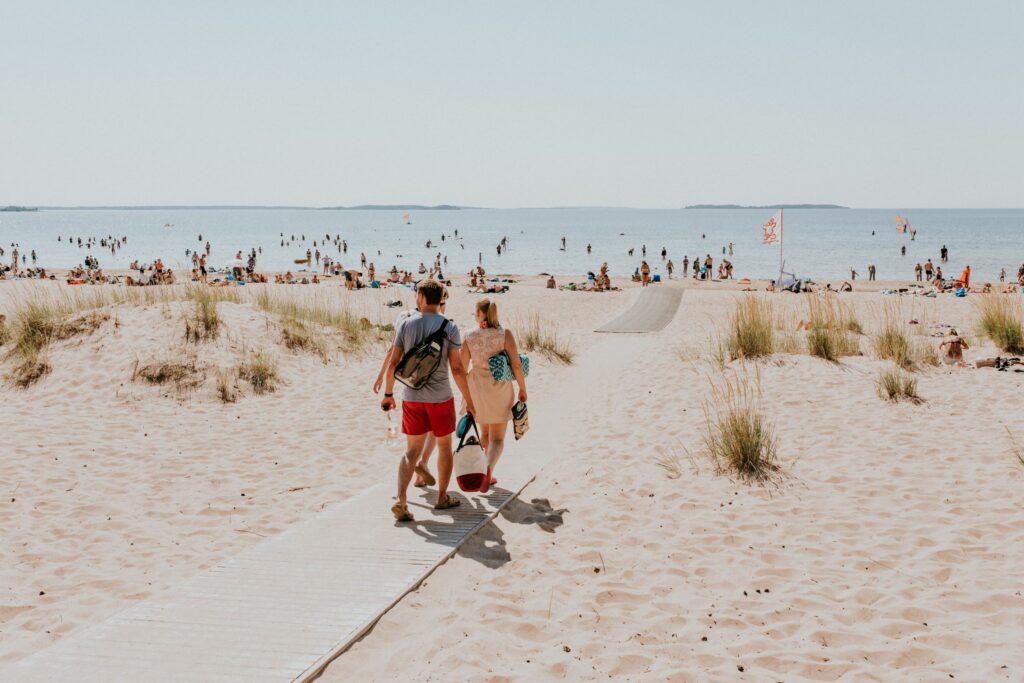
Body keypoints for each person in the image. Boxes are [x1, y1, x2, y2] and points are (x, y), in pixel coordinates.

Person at [381, 280, 474, 521]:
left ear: (421, 296)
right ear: (440, 298)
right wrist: (468, 397)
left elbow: (393, 362)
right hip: (440, 398)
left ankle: (402, 500)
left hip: (412, 396)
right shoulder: (450, 327)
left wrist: (389, 394)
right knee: (444, 447)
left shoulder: (406, 324)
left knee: (411, 450)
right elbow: (457, 368)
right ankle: (441, 498)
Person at [460, 299, 527, 494]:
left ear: (481, 314)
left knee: (485, 434)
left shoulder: (469, 335)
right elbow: (516, 364)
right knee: (498, 438)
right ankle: (488, 471)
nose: (474, 314)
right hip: (499, 388)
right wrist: (522, 388)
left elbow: (462, 368)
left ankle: (483, 473)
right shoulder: (504, 333)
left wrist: (466, 395)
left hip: (477, 388)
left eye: (475, 311)